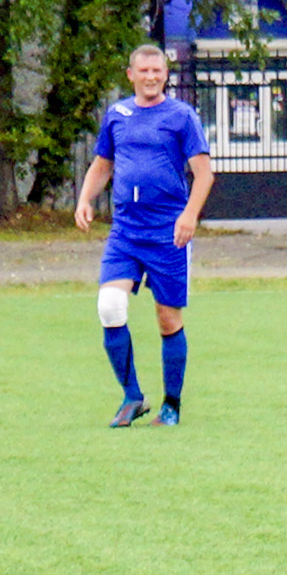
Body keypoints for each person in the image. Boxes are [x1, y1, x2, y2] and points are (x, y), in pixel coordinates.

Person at [75, 45, 215, 427]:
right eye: (144, 70)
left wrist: (189, 216)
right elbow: (102, 164)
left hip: (168, 231)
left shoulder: (181, 116)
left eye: (158, 70)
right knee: (109, 307)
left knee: (167, 319)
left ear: (166, 75)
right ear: (131, 74)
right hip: (125, 231)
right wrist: (85, 199)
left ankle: (172, 404)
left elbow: (204, 174)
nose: (151, 76)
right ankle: (133, 396)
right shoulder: (117, 115)